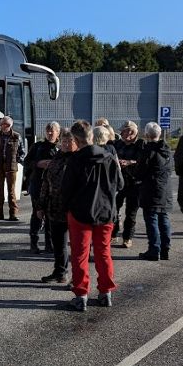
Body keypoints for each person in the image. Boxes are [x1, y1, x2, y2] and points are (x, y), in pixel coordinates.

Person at [61, 120, 124, 312]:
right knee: (103, 253)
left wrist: (66, 208)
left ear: (76, 139)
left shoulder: (75, 160)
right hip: (105, 211)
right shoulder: (109, 157)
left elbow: (66, 189)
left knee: (80, 255)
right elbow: (120, 184)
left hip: (81, 212)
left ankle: (81, 295)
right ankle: (106, 292)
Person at [37, 131, 77, 285]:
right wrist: (41, 206)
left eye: (70, 141)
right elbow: (45, 184)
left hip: (74, 209)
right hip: (54, 208)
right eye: (64, 141)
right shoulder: (56, 159)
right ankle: (60, 272)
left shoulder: (79, 159)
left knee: (78, 245)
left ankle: (78, 277)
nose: (66, 144)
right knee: (58, 244)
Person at [135, 122, 173, 261]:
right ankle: (165, 249)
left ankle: (154, 250)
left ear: (146, 134)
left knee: (152, 219)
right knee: (164, 218)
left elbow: (140, 171)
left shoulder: (148, 151)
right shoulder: (166, 150)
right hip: (165, 188)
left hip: (151, 188)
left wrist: (136, 175)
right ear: (159, 134)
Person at [23, 122, 60, 252]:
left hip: (54, 187)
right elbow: (26, 161)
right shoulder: (37, 146)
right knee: (37, 213)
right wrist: (38, 163)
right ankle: (34, 243)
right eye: (48, 130)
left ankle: (49, 244)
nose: (49, 133)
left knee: (51, 215)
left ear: (58, 132)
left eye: (52, 131)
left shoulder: (60, 148)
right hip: (37, 184)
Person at [113, 121, 145, 248]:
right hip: (119, 182)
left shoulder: (141, 144)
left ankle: (127, 237)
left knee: (131, 212)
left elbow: (144, 161)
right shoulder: (118, 144)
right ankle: (113, 233)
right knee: (114, 209)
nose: (121, 134)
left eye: (124, 131)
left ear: (131, 132)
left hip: (135, 182)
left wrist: (130, 162)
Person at [0, 116, 24, 222]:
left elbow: (22, 152)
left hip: (11, 167)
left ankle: (13, 213)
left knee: (11, 191)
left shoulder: (16, 136)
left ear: (11, 125)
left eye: (7, 124)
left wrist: (17, 160)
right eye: (2, 124)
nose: (4, 126)